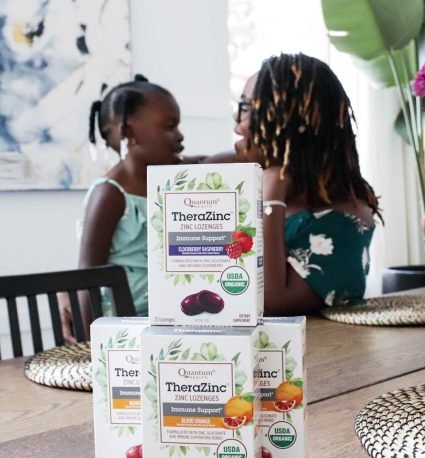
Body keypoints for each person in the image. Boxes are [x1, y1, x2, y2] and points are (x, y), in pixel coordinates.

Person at [208, 53, 383, 315]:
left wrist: (272, 194)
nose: (237, 123)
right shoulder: (251, 179)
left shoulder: (346, 221)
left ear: (286, 122)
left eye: (245, 108)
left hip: (317, 353)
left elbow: (271, 302)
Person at [60, 74, 202, 342]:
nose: (180, 135)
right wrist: (87, 344)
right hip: (124, 331)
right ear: (128, 132)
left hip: (170, 322)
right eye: (169, 126)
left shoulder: (173, 178)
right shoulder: (110, 194)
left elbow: (213, 161)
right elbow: (88, 273)